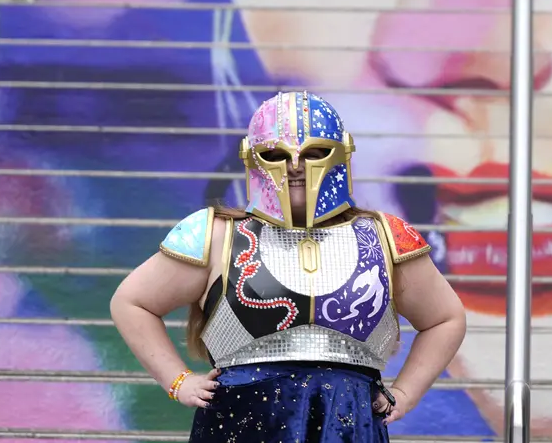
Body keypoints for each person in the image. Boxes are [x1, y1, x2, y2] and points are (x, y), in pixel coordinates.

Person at [110, 90, 467, 442]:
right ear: (252, 158)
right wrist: (178, 380)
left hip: (348, 420)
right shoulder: (215, 235)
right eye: (276, 154)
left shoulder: (387, 237)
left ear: (341, 153)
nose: (295, 166)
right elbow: (132, 303)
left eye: (314, 152)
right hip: (242, 420)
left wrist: (405, 393)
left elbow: (445, 319)